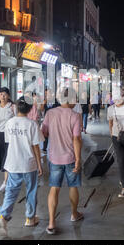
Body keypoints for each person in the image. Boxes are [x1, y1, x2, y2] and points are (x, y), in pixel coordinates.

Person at [0, 99, 43, 237]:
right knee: (31, 191)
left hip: (13, 163)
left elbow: (9, 142)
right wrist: (40, 164)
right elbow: (36, 146)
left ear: (17, 108)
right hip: (29, 164)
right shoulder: (32, 124)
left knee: (11, 191)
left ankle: (3, 217)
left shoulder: (9, 123)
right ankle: (30, 218)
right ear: (29, 110)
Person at [41, 89, 83, 235]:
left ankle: (52, 222)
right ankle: (74, 214)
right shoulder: (75, 116)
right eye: (75, 98)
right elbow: (76, 139)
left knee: (54, 188)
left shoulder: (50, 113)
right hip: (71, 157)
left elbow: (43, 133)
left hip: (54, 157)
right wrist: (78, 159)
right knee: (73, 186)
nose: (76, 101)